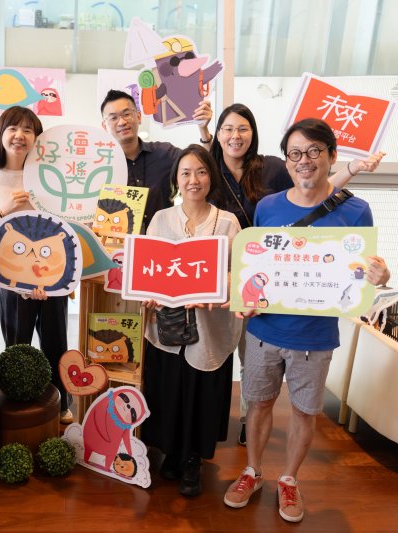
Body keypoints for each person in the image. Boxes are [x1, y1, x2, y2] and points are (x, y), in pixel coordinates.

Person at [222, 118, 391, 523]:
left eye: (314, 151)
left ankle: (289, 479)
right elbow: (257, 266)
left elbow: (362, 270)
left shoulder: (356, 210)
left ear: (332, 156)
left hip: (315, 335)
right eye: (295, 153)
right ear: (287, 160)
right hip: (264, 330)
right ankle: (253, 471)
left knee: (303, 411)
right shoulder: (268, 206)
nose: (304, 160)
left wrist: (380, 275)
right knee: (258, 404)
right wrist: (245, 299)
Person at [141, 145, 242, 497]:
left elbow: (237, 275)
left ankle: (192, 459)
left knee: (201, 392)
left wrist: (216, 287)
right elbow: (147, 269)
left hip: (209, 326)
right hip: (167, 324)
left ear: (211, 177)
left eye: (201, 171)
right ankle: (171, 451)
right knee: (169, 387)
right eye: (185, 173)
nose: (193, 180)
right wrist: (148, 292)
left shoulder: (227, 222)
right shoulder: (160, 219)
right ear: (176, 179)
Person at [0, 106, 73, 424]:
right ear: (1, 134)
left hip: (52, 273)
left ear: (37, 138)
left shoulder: (49, 175)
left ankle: (61, 403)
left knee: (56, 339)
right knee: (16, 342)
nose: (20, 136)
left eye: (28, 130)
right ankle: (18, 403)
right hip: (11, 277)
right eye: (13, 128)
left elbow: (65, 221)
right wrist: (4, 210)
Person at [100, 89, 214, 233]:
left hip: (165, 240)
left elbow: (204, 164)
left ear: (138, 116)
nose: (122, 122)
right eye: (113, 118)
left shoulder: (164, 153)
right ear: (104, 126)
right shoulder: (101, 167)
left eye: (126, 114)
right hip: (119, 244)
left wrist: (203, 130)